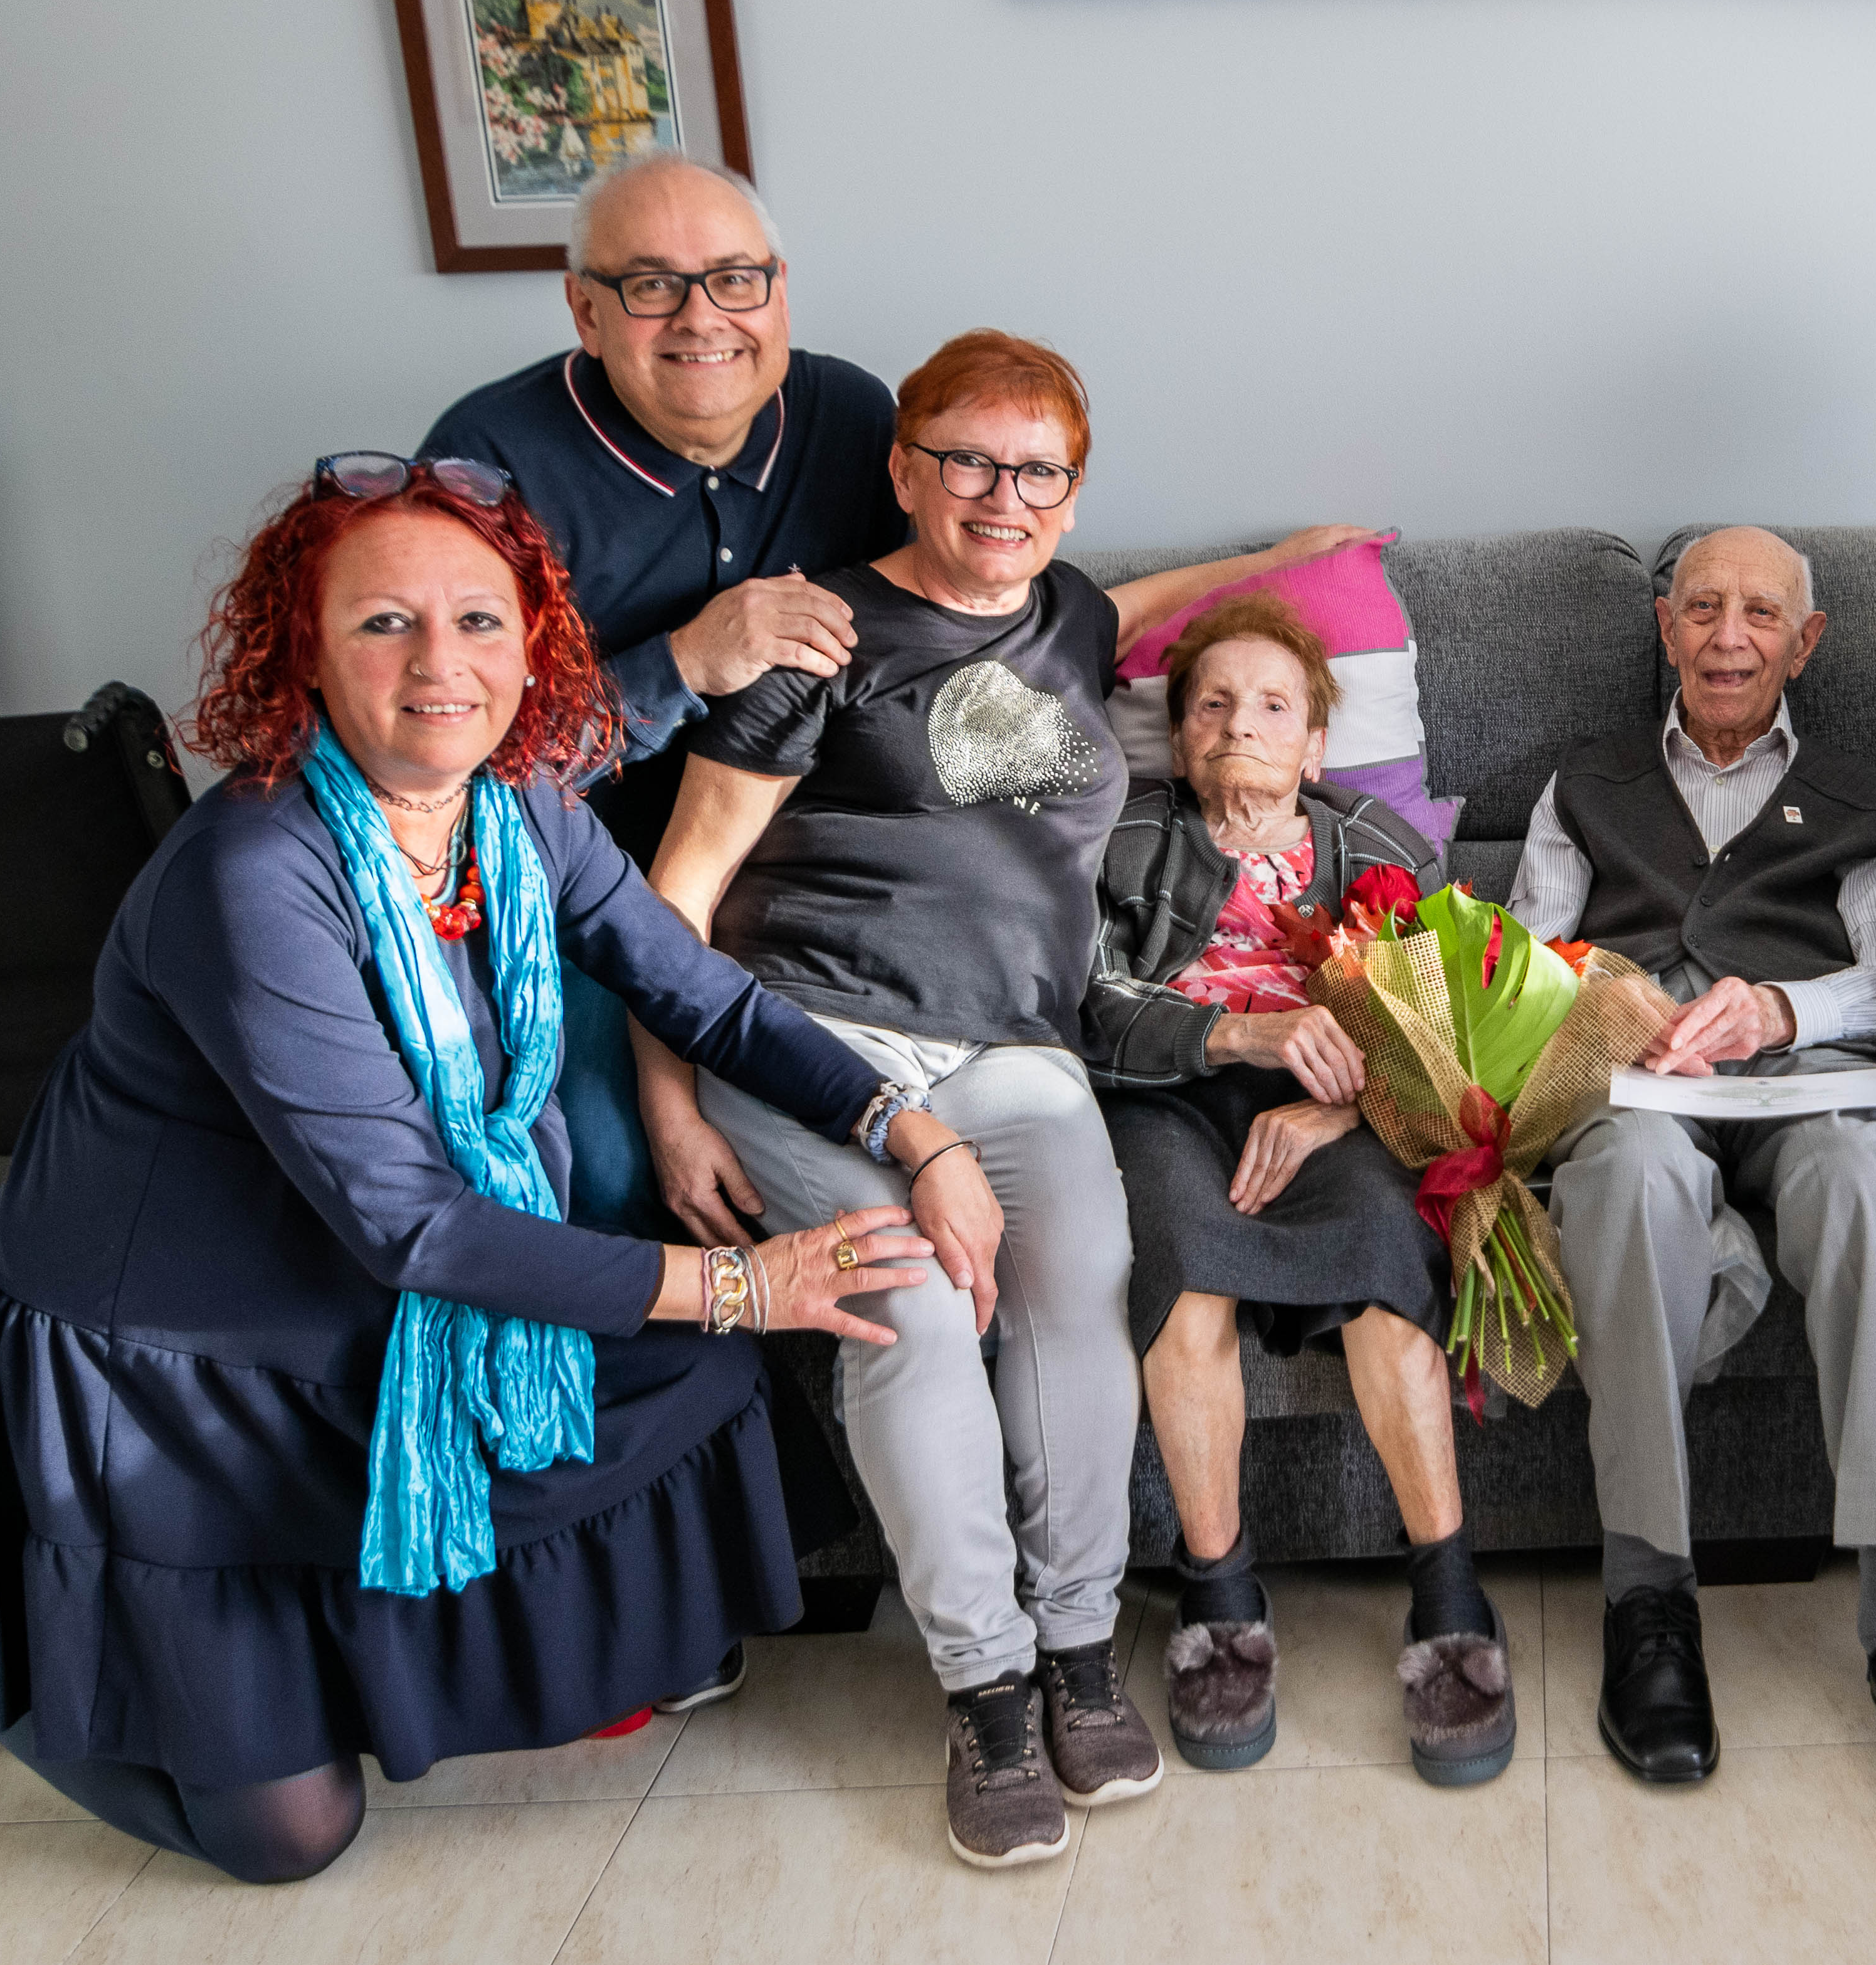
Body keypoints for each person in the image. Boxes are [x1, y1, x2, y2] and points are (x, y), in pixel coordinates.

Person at [0, 457, 967, 1882]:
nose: (443, 664)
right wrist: (742, 1282)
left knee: (684, 1380)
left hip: (357, 1311)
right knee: (288, 1836)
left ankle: (308, 1675)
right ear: (301, 649)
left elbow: (707, 1000)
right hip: (160, 1370)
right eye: (385, 624)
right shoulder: (251, 873)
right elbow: (419, 1225)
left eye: (481, 622)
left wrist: (908, 1131)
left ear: (533, 643)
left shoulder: (525, 813)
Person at [421, 152, 1363, 1226]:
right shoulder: (487, 464)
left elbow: (975, 601)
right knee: (611, 1168)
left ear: (778, 289)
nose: (701, 319)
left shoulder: (843, 416)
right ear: (583, 310)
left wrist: (1274, 563)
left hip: (814, 894)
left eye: (735, 278)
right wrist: (681, 662)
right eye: (649, 285)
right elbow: (445, 759)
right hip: (573, 895)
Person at [638, 330, 1162, 1872]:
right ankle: (987, 1692)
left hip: (1015, 1051)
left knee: (1081, 1278)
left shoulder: (1081, 613)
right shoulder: (821, 637)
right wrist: (671, 1107)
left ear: (1074, 493)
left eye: (1038, 470)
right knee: (917, 1306)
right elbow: (674, 898)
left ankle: (1079, 1649)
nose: (1001, 496)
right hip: (815, 1040)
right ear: (903, 466)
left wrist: (1315, 558)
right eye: (967, 460)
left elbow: (1187, 598)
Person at [1509, 525, 1876, 1836]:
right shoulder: (1583, 783)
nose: (1731, 637)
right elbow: (1525, 961)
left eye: (1760, 614)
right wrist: (1612, 1010)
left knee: (1857, 1182)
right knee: (1630, 1184)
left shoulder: (1862, 792)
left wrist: (1778, 1009)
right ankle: (1647, 1595)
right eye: (1705, 610)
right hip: (1636, 1087)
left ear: (1805, 640)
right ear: (1664, 628)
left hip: (1809, 1077)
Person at [1087, 593, 1514, 1786]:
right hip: (1168, 1103)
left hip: (1338, 1122)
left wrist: (1341, 1102)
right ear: (1178, 740)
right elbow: (1077, 1002)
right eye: (1211, 705)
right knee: (1183, 1290)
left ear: (1316, 743)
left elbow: (1460, 1021)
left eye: (1274, 705)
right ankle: (1219, 1605)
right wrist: (1238, 1036)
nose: (1240, 725)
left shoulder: (1379, 843)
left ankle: (1449, 1591)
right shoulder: (1119, 836)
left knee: (1389, 1276)